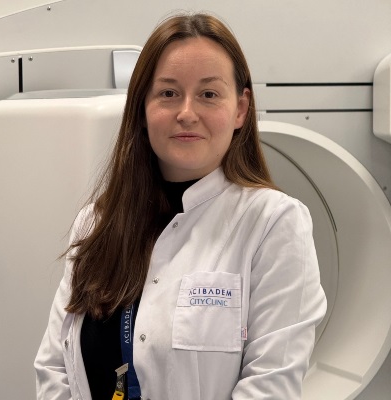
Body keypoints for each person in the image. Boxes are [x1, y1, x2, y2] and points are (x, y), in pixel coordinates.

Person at [35, 12, 327, 400]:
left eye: (209, 94)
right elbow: (55, 367)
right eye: (169, 93)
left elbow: (271, 385)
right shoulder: (96, 223)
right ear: (142, 107)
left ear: (240, 109)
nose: (187, 113)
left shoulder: (274, 223)